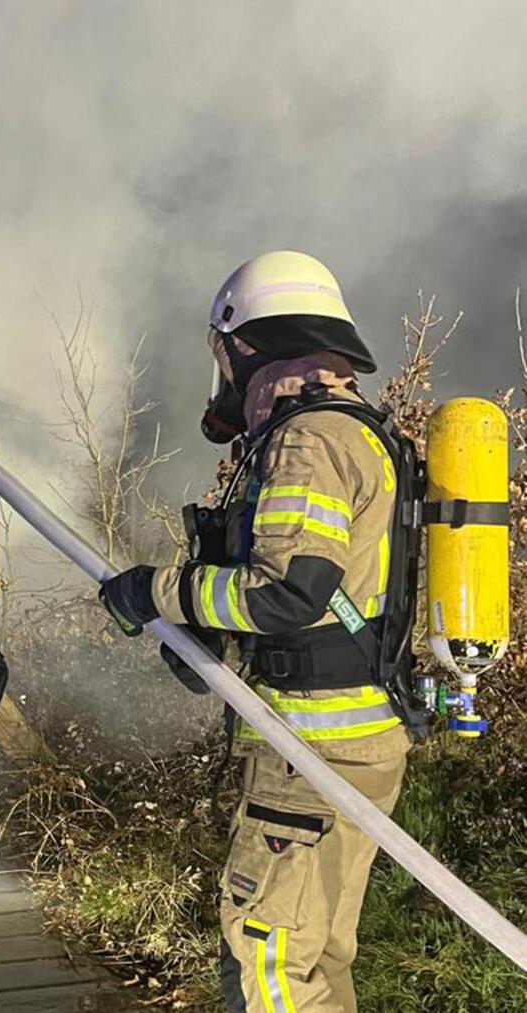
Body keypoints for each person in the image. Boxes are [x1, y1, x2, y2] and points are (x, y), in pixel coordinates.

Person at [99, 251, 413, 1013]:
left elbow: (289, 597)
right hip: (352, 743)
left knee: (270, 956)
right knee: (318, 957)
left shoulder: (308, 441)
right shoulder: (360, 432)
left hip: (312, 751)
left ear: (246, 347)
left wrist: (159, 592)